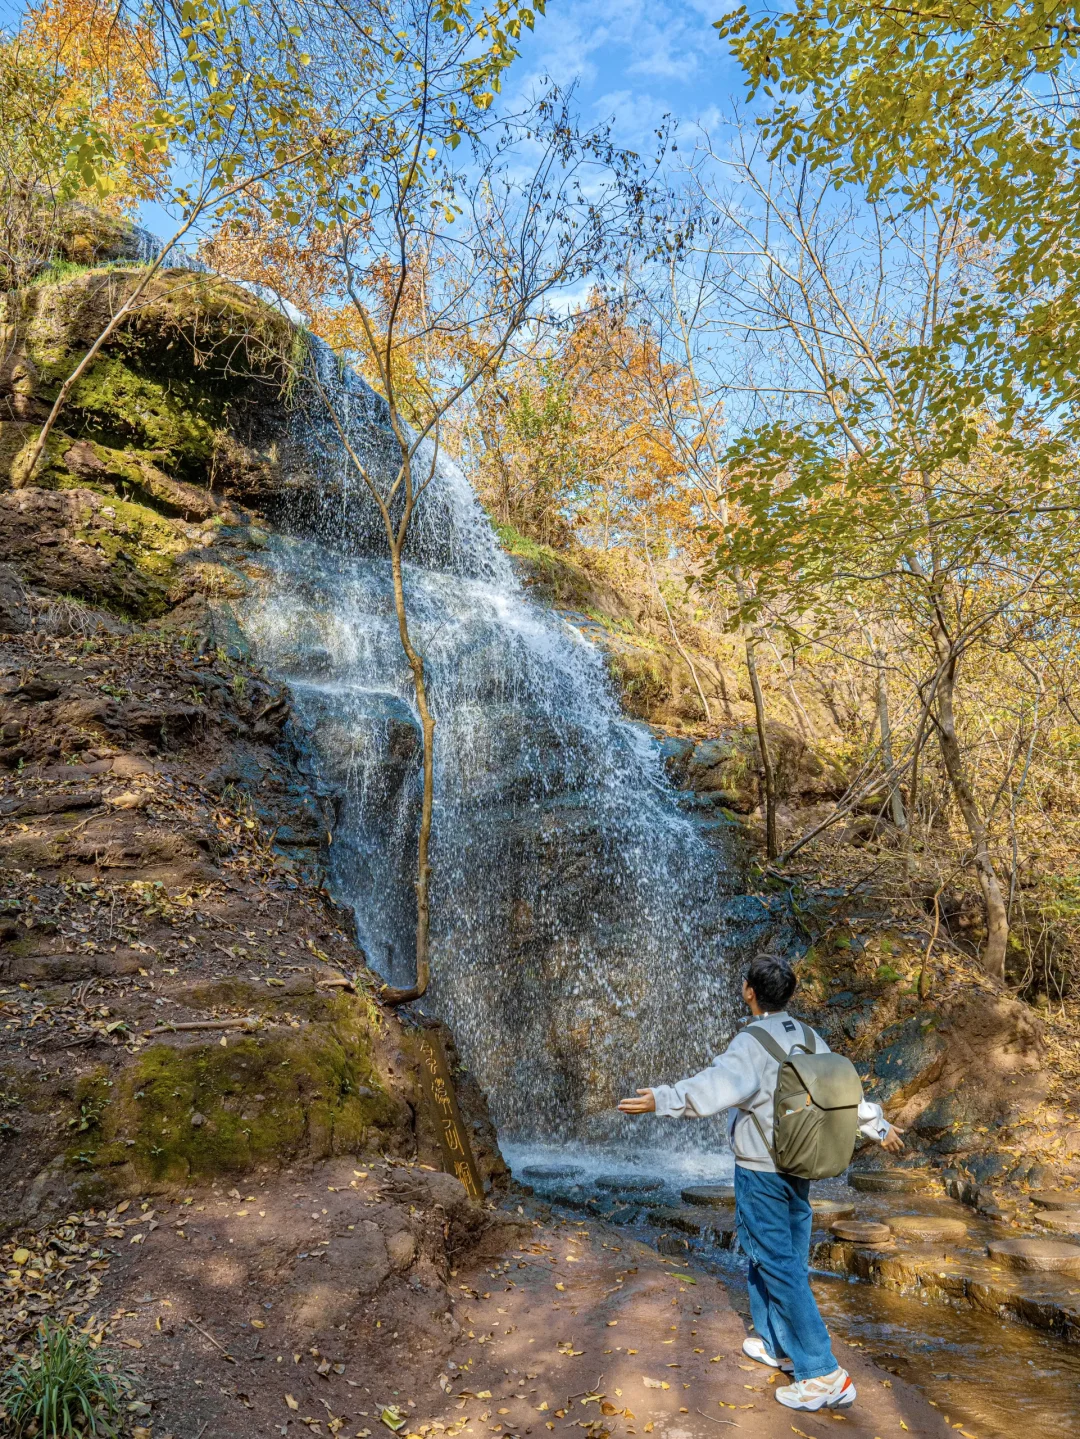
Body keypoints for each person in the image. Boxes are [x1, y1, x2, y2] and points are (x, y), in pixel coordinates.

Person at [618, 952, 904, 1414]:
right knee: (777, 1255)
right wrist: (879, 1126)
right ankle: (777, 1343)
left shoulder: (751, 1042)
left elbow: (713, 1088)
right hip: (801, 1166)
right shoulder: (809, 1036)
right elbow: (841, 1094)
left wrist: (662, 1099)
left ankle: (823, 1373)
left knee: (777, 1262)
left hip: (761, 1169)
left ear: (749, 991)